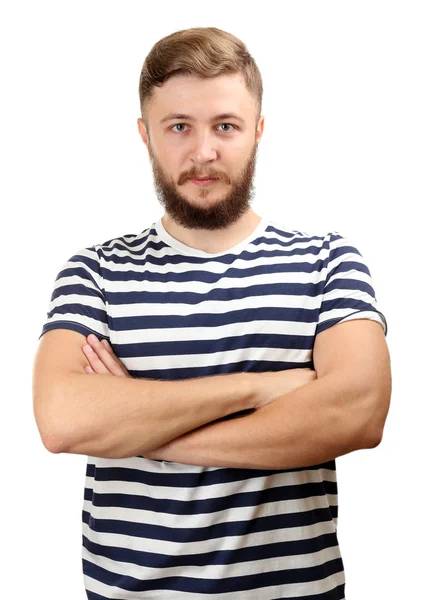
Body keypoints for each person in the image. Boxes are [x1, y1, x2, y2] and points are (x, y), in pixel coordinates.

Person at [33, 26, 391, 600]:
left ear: (258, 132)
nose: (204, 152)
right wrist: (258, 389)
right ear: (146, 135)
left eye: (225, 125)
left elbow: (359, 412)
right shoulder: (95, 271)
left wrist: (148, 436)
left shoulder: (326, 261)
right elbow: (62, 419)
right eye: (179, 127)